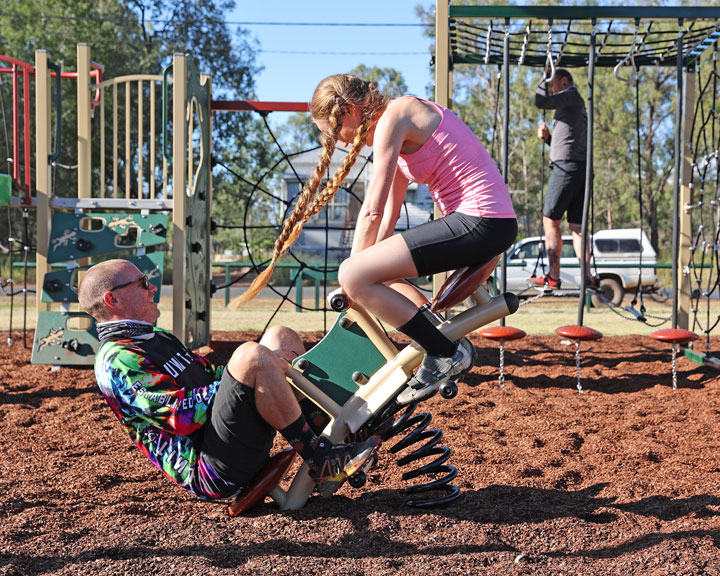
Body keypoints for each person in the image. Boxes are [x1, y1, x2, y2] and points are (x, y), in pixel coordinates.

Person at [234, 74, 517, 405]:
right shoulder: (397, 127)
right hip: (483, 221)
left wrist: (351, 273)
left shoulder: (395, 117)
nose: (340, 141)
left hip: (482, 219)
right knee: (371, 273)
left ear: (352, 111)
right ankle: (442, 336)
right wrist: (364, 270)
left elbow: (372, 208)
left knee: (354, 274)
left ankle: (445, 351)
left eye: (335, 130)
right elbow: (389, 215)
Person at [78, 259, 381, 502]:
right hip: (211, 468)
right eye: (142, 283)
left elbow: (211, 375)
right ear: (112, 299)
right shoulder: (116, 359)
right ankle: (321, 459)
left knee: (279, 336)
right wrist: (255, 365)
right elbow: (181, 417)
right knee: (252, 355)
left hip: (224, 438)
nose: (152, 288)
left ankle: (330, 432)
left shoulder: (156, 338)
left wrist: (266, 363)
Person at [531, 68, 598, 291]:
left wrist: (543, 76)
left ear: (564, 81)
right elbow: (570, 145)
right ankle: (587, 275)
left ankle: (553, 275)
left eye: (553, 84)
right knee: (577, 227)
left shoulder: (570, 95)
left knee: (550, 220)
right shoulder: (573, 104)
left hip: (566, 169)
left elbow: (541, 101)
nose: (551, 90)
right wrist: (549, 139)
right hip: (580, 168)